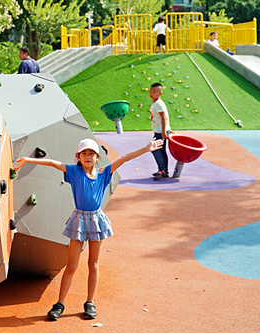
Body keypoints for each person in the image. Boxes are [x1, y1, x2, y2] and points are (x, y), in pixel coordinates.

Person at [14, 137, 163, 322]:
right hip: (79, 219)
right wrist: (29, 160)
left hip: (96, 220)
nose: (87, 157)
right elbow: (53, 163)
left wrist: (146, 148)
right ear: (78, 157)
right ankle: (60, 304)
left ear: (97, 157)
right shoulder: (74, 172)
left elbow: (124, 158)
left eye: (91, 153)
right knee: (72, 265)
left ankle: (90, 302)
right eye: (84, 153)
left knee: (93, 264)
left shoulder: (103, 174)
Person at [148, 82, 171, 179]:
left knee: (155, 149)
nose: (151, 93)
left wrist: (163, 131)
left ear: (160, 93)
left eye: (154, 92)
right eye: (150, 91)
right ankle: (164, 170)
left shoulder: (158, 104)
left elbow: (163, 117)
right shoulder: (156, 103)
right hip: (159, 130)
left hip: (160, 132)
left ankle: (162, 170)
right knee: (161, 151)